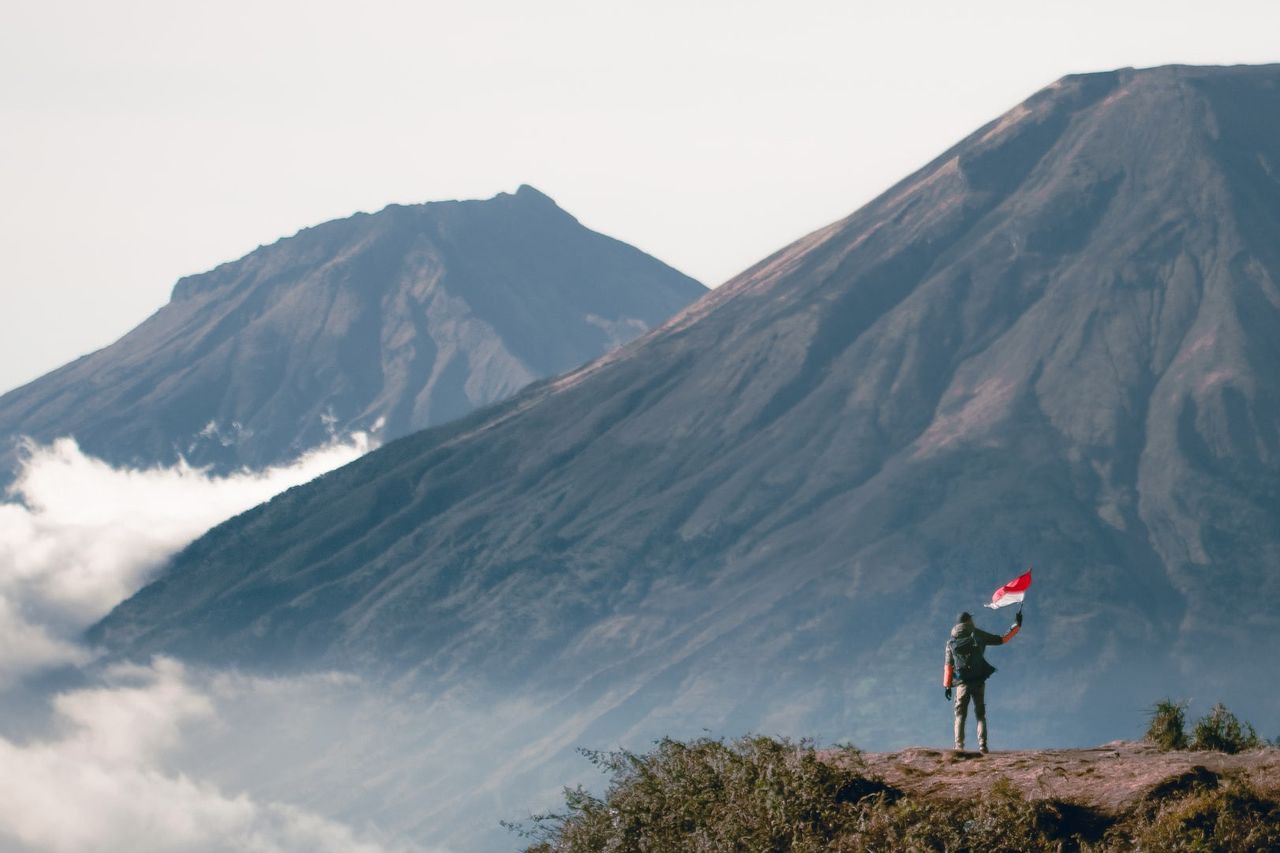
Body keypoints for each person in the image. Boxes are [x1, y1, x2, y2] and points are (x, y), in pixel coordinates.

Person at [942, 610, 1021, 753]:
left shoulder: (951, 642)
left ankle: (959, 747)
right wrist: (1016, 626)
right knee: (980, 715)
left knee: (960, 715)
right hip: (978, 681)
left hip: (962, 683)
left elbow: (948, 666)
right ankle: (983, 746)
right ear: (968, 621)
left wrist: (947, 686)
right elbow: (1002, 639)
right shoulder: (977, 634)